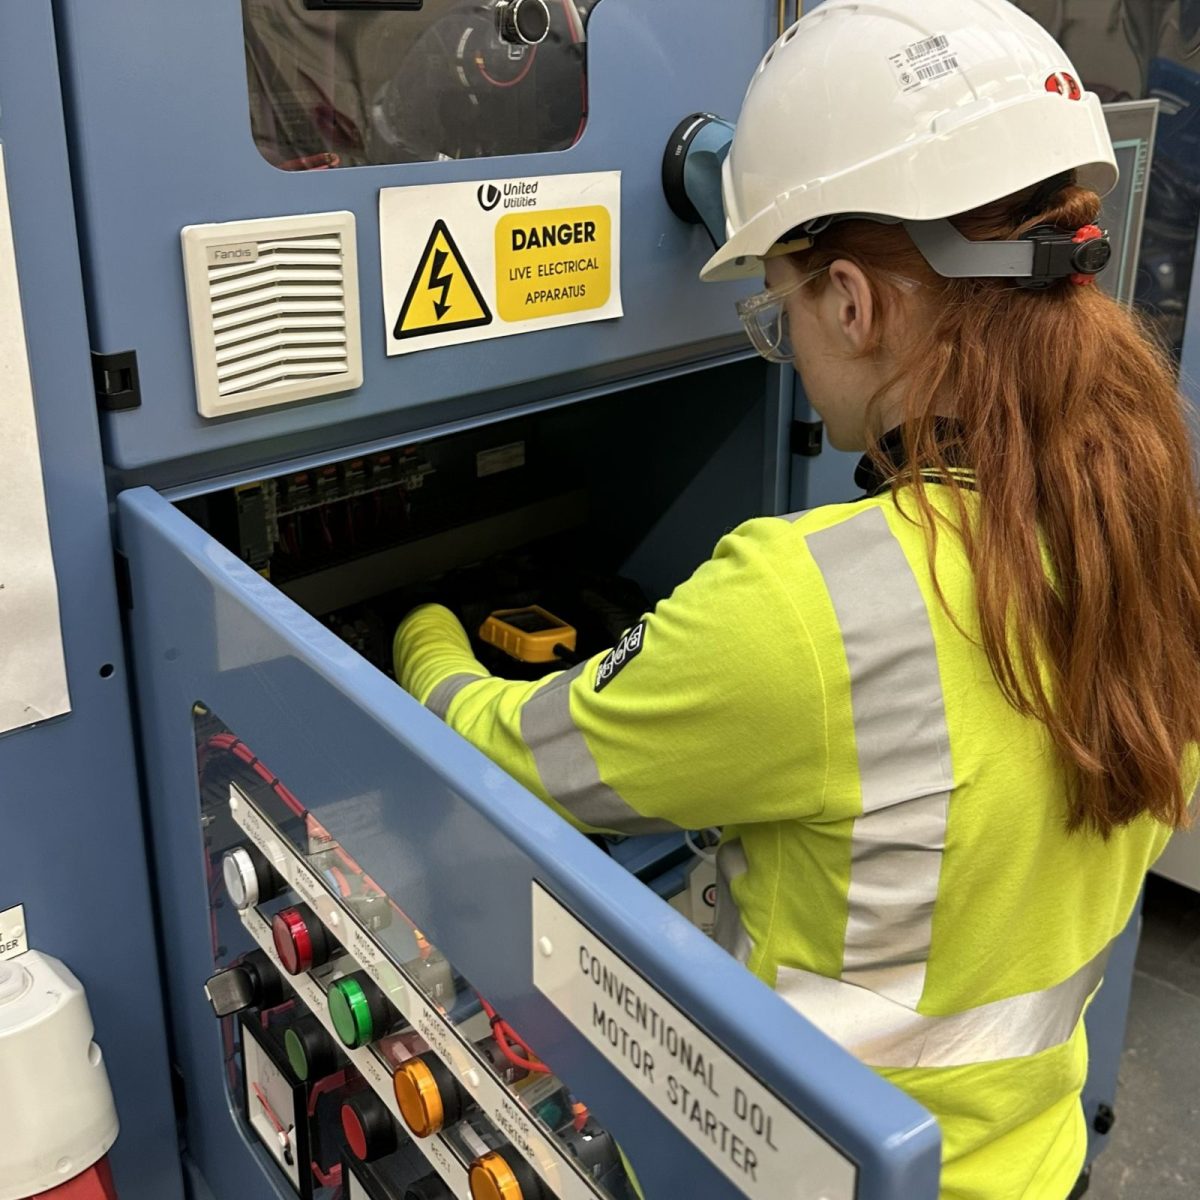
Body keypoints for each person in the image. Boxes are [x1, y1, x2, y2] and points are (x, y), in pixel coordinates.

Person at [393, 1, 1200, 1195]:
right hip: (1033, 1158)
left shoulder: (808, 605)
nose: (797, 356)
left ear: (854, 301)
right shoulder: (1146, 504)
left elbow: (522, 761)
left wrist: (424, 631)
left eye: (780, 313)